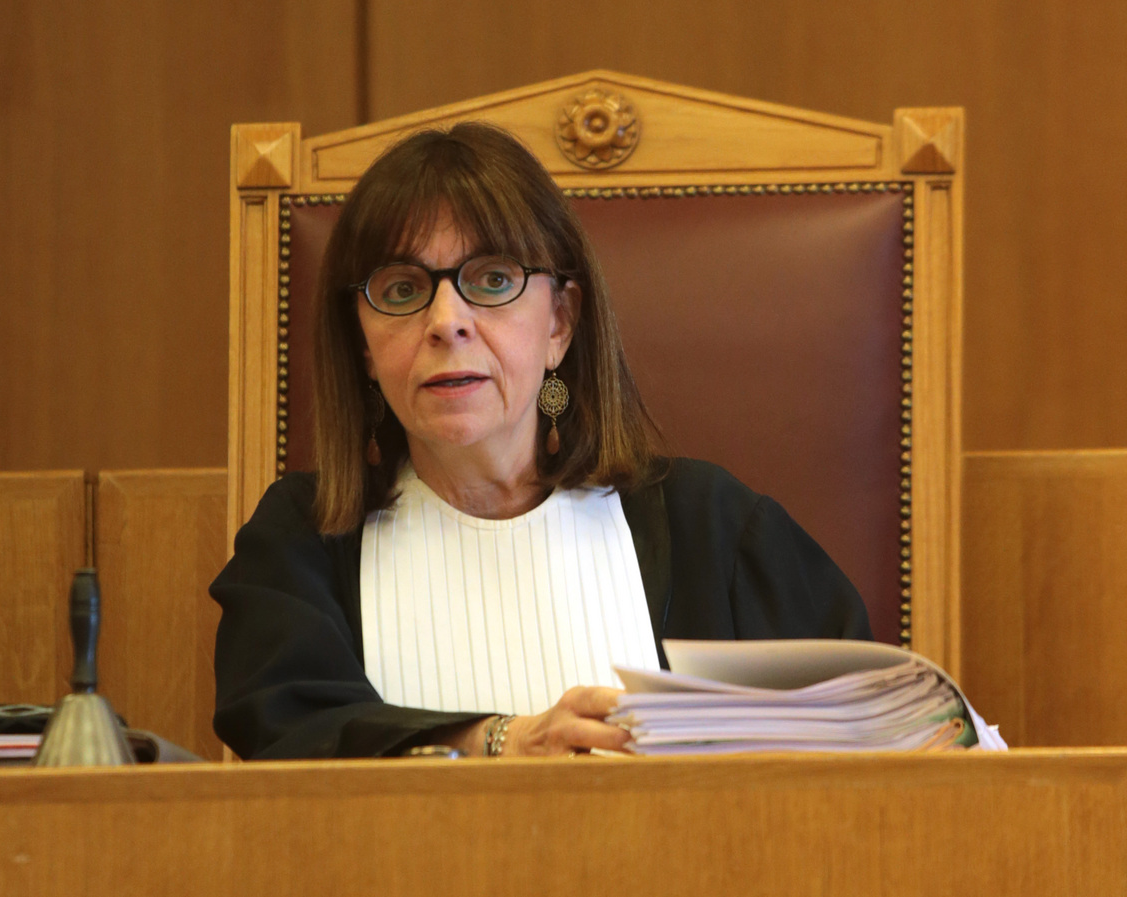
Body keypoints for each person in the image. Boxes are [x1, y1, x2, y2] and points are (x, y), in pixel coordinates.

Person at [211, 123, 871, 761]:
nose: (446, 322)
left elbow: (866, 730)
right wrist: (502, 741)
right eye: (403, 290)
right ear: (363, 344)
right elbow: (291, 733)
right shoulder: (301, 546)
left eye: (492, 280)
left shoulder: (715, 531)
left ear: (560, 322)